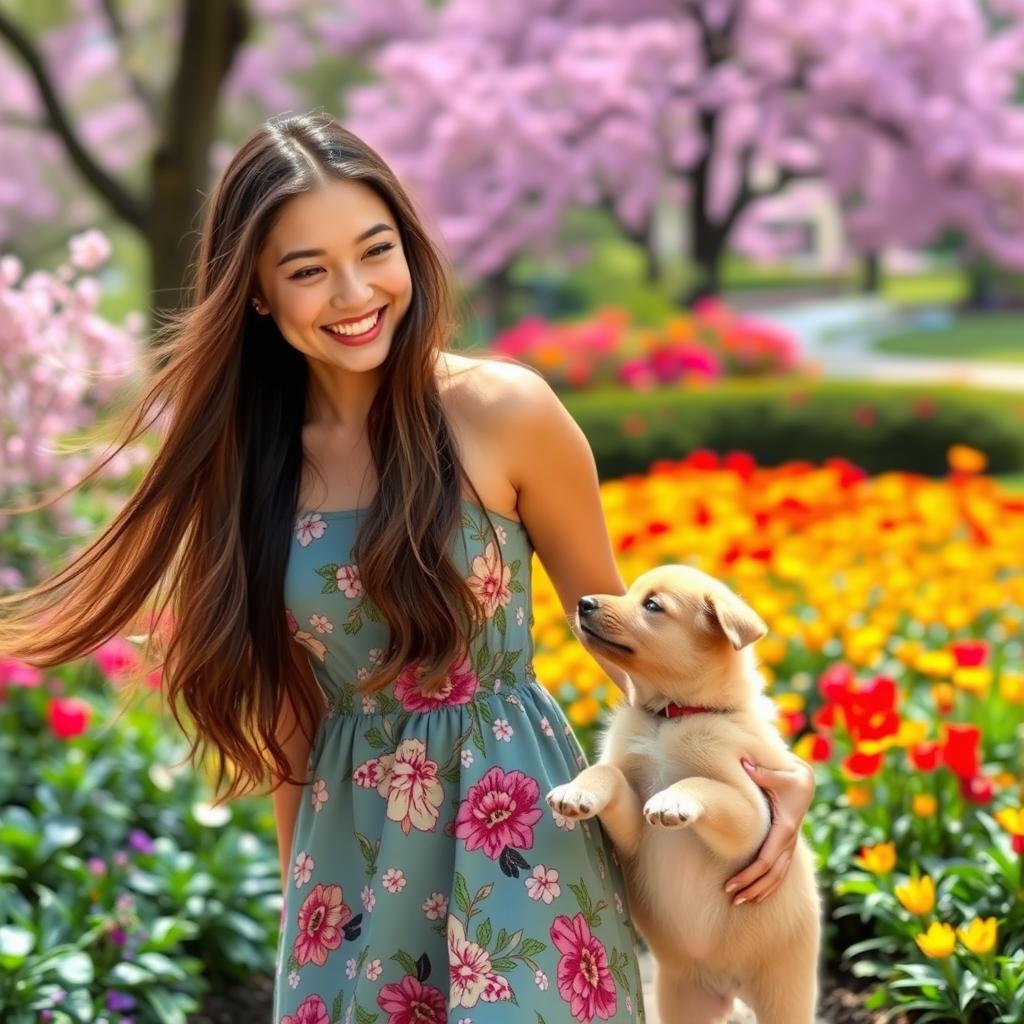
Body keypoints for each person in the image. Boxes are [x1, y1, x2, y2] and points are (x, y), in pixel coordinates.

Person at [0, 113, 815, 1023]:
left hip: (521, 843)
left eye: (374, 250)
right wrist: (301, 918)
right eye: (307, 269)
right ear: (259, 294)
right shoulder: (251, 466)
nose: (354, 293)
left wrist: (773, 775)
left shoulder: (505, 412)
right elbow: (286, 716)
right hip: (347, 861)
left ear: (410, 250)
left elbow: (623, 638)